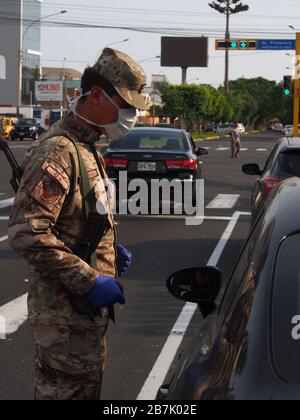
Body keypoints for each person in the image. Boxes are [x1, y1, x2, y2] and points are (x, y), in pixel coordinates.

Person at [8, 48, 149, 400]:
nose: (131, 115)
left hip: (80, 317)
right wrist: (88, 278)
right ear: (98, 95)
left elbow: (74, 217)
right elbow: (27, 231)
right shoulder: (60, 150)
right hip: (65, 317)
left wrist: (104, 249)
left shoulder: (85, 148)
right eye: (127, 105)